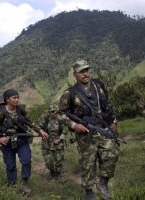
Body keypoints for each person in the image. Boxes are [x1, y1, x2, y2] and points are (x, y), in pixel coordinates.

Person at [59, 60, 119, 200]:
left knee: (112, 155)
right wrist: (74, 125)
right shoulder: (70, 93)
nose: (85, 74)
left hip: (103, 128)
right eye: (81, 71)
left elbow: (107, 105)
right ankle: (89, 192)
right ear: (75, 74)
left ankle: (103, 183)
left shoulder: (99, 86)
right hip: (86, 134)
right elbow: (60, 114)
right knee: (88, 164)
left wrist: (113, 121)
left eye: (87, 70)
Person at [0, 89, 48, 194]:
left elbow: (31, 122)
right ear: (7, 100)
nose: (17, 100)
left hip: (21, 140)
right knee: (10, 165)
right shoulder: (0, 113)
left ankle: (24, 183)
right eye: (14, 98)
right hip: (7, 143)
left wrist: (40, 131)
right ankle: (12, 186)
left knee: (26, 160)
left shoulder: (21, 110)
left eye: (18, 97)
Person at [40, 105, 67, 180]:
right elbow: (38, 128)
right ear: (49, 112)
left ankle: (58, 175)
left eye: (55, 111)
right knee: (48, 161)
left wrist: (59, 139)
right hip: (47, 143)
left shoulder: (60, 120)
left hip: (58, 143)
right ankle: (52, 173)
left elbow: (65, 131)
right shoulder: (45, 120)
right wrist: (42, 132)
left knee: (58, 160)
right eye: (52, 111)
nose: (54, 113)